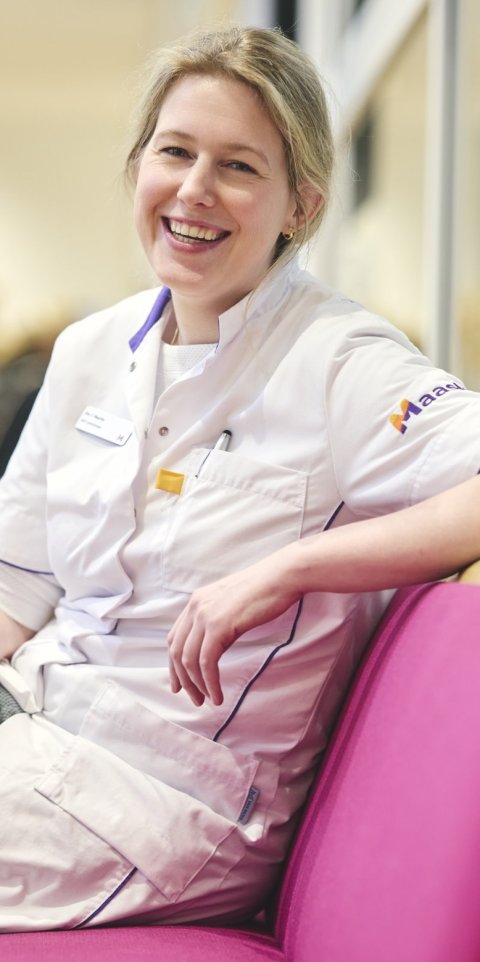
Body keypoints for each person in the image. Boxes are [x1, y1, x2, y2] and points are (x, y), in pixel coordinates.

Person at [0, 24, 480, 933]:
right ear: (138, 163)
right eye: (174, 151)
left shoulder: (339, 359)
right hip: (37, 722)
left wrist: (295, 566)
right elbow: (17, 587)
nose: (193, 191)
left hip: (167, 803)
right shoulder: (88, 352)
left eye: (239, 167)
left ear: (302, 203)